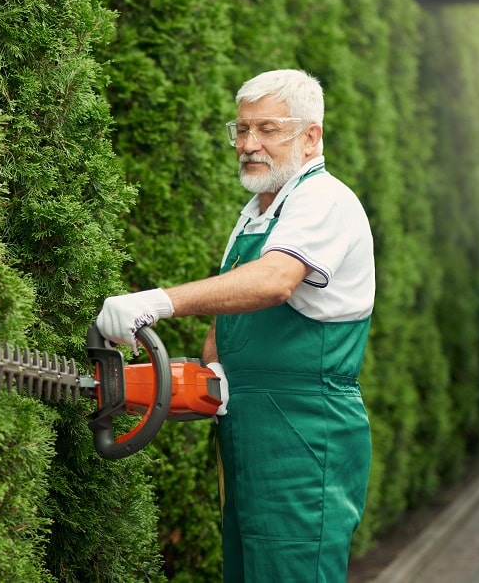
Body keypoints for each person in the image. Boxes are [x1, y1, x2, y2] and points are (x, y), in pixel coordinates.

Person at [95, 69, 374, 582]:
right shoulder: (256, 212)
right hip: (246, 427)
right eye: (242, 130)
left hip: (304, 431)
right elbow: (229, 319)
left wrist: (158, 301)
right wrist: (205, 378)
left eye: (268, 129)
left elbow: (273, 281)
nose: (249, 144)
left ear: (310, 135)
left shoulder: (324, 200)